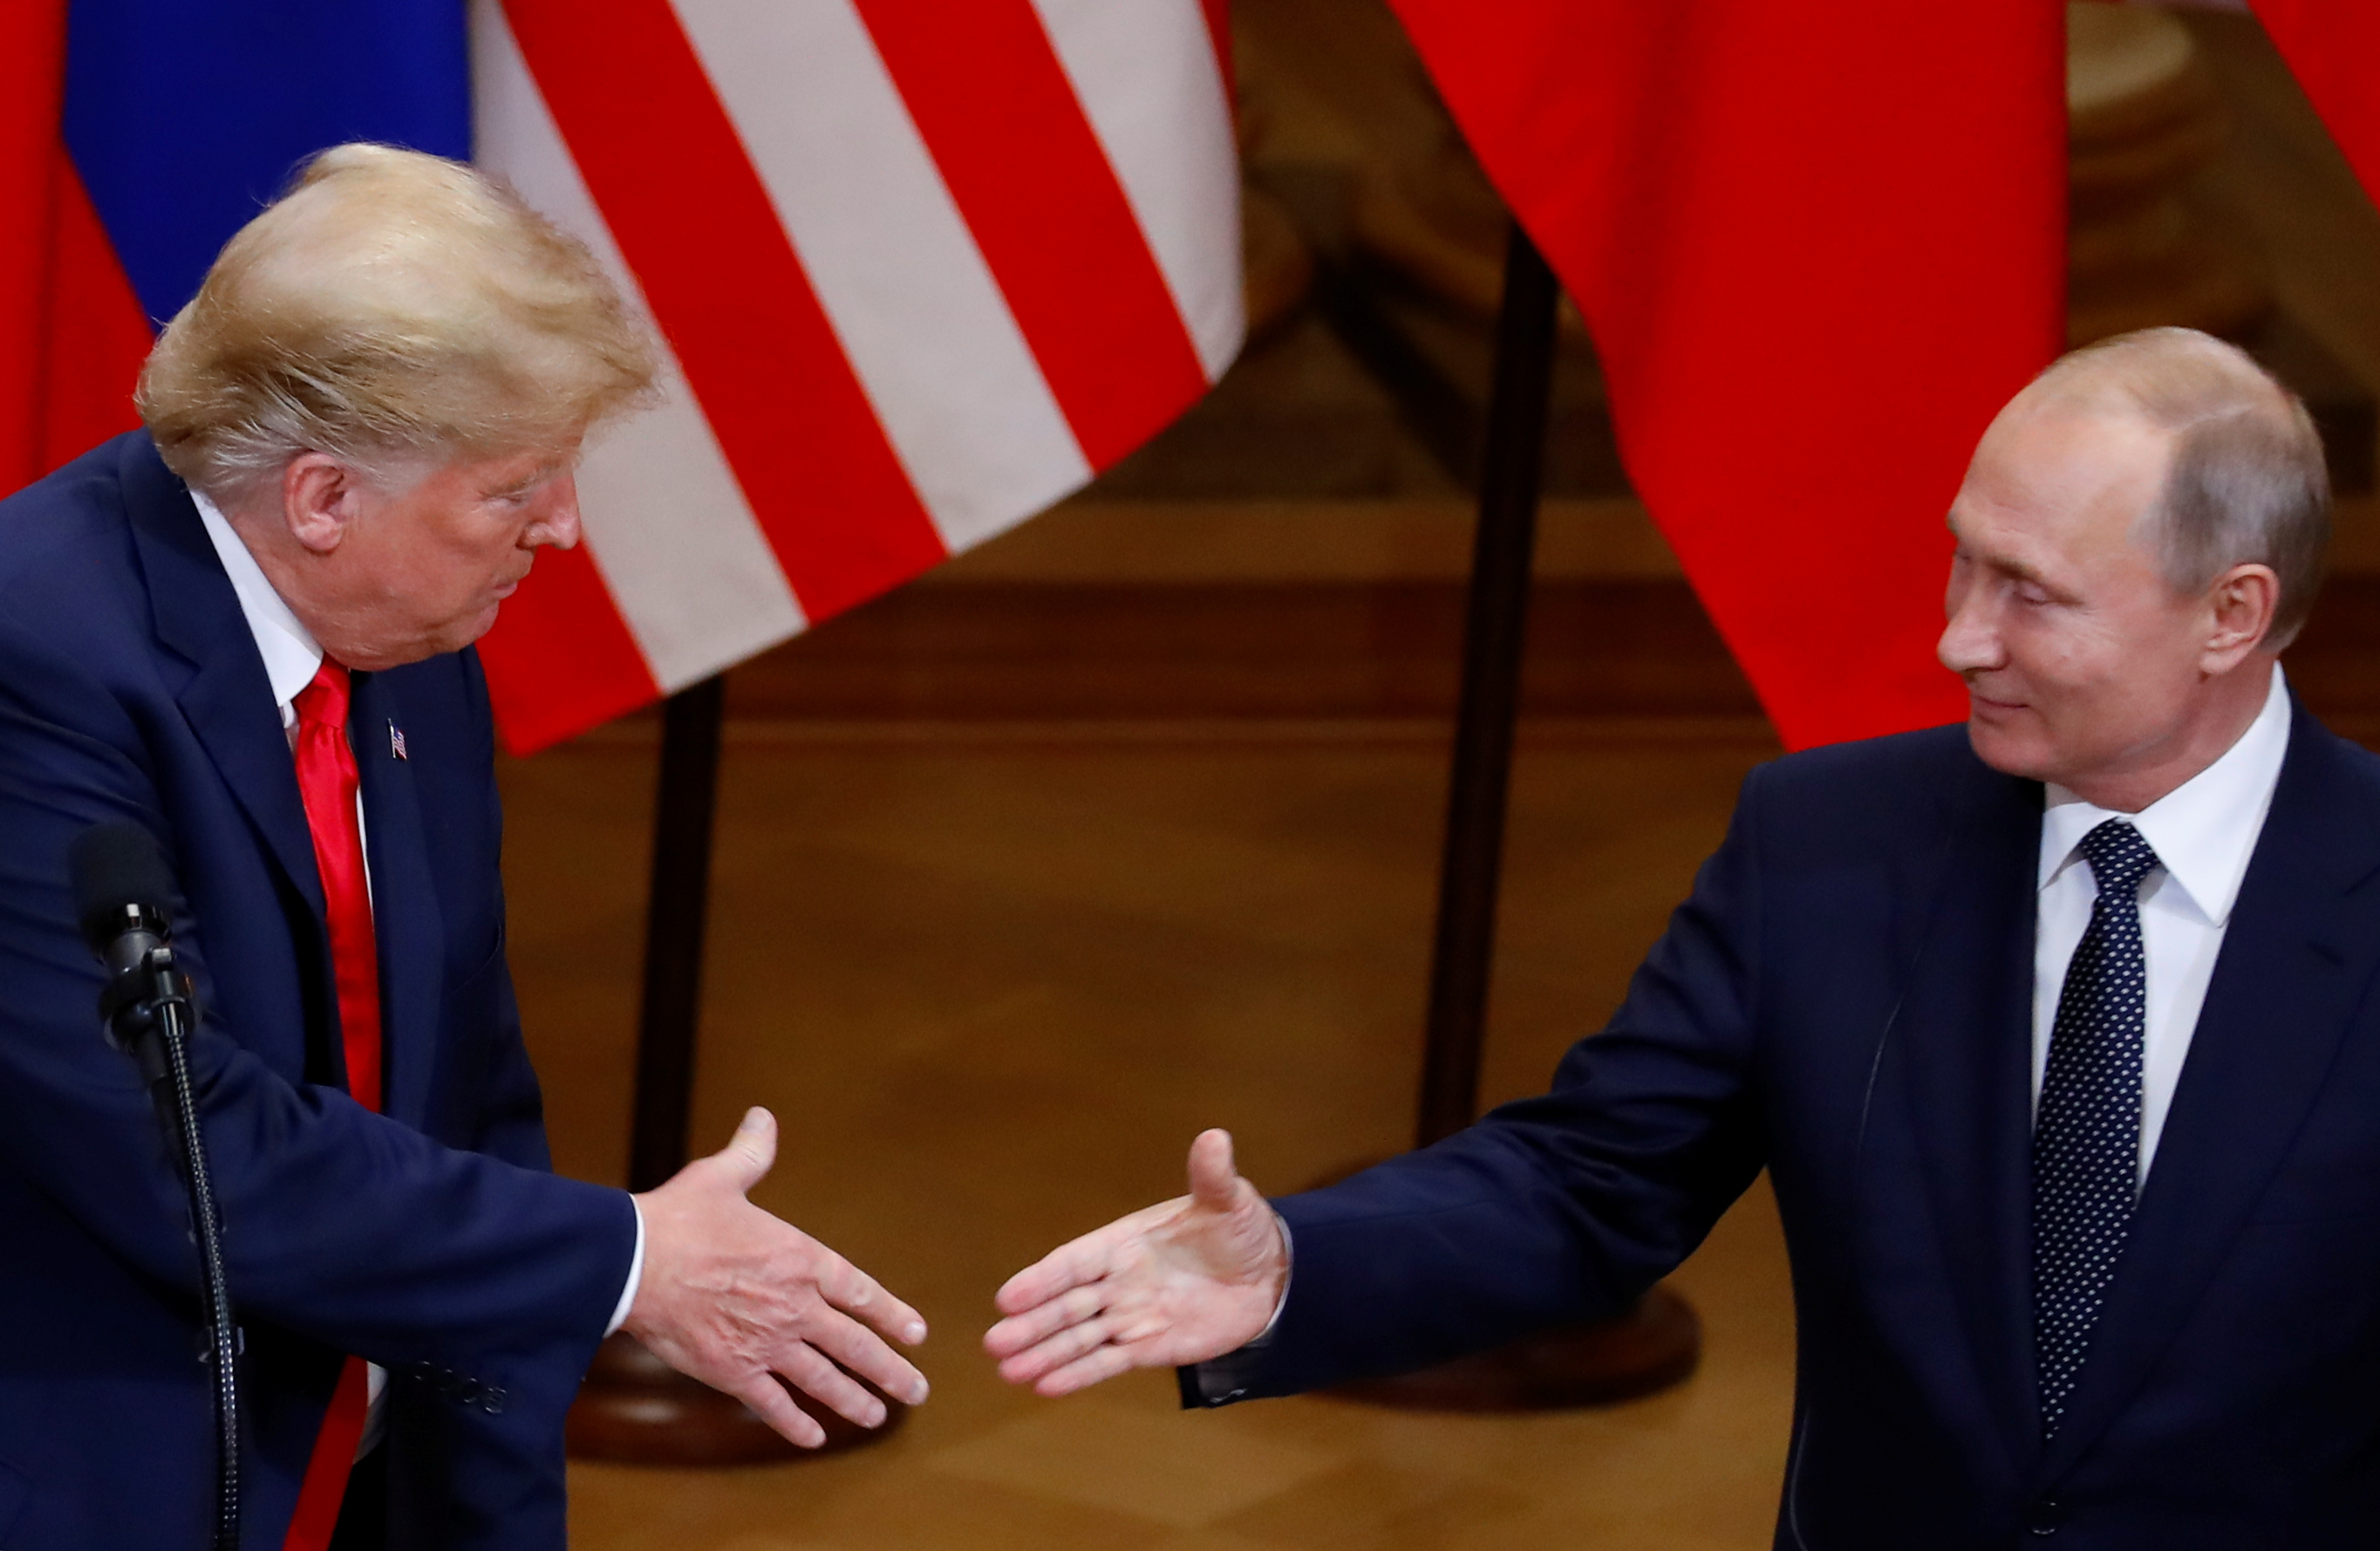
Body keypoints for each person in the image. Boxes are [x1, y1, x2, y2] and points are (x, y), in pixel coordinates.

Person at [987, 327, 2373, 1547]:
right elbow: (1587, 1180)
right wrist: (1298, 1262)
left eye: (2031, 591)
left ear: (2229, 614)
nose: (1958, 636)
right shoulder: (1826, 844)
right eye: (1961, 560)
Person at [0, 145, 928, 1551]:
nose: (559, 529)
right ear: (321, 498)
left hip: (373, 1468)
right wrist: (625, 1261)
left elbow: (471, 1096)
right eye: (517, 488)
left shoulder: (410, 642)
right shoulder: (36, 658)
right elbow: (186, 1144)